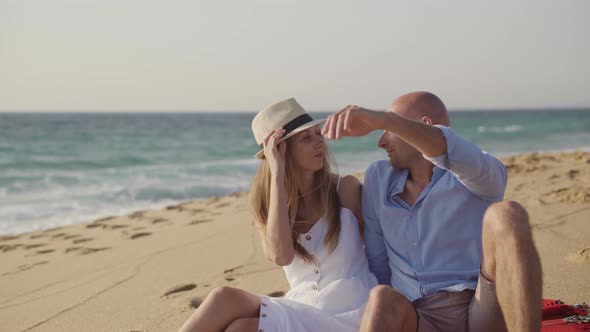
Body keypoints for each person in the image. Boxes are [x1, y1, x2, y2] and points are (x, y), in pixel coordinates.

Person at [322, 91, 543, 332]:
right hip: (418, 318)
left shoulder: (476, 172)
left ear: (423, 126)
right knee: (381, 297)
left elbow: (445, 148)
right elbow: (378, 263)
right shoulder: (378, 177)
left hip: (480, 310)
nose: (381, 141)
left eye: (389, 130)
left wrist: (382, 119)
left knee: (507, 214)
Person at [178, 97, 377, 332]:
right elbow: (280, 255)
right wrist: (277, 177)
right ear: (281, 150)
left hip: (351, 309)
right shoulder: (268, 203)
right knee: (235, 321)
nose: (319, 143)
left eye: (318, 134)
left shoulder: (345, 189)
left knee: (230, 308)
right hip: (302, 306)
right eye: (306, 138)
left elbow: (378, 253)